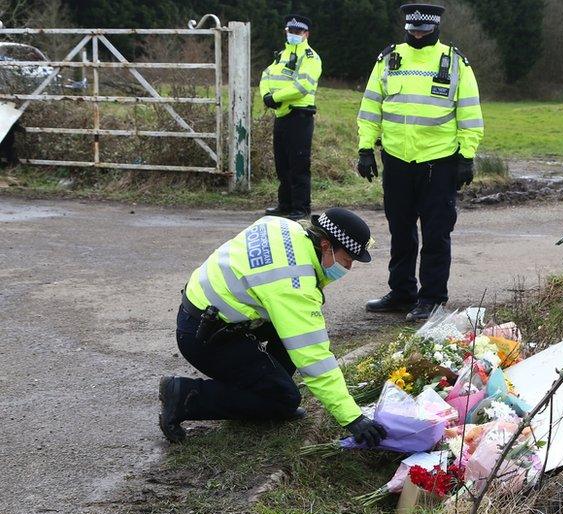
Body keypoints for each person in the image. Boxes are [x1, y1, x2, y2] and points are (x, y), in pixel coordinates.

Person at [158, 208, 387, 448]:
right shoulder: (292, 283)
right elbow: (314, 357)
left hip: (208, 314)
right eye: (347, 259)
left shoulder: (285, 227)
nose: (348, 268)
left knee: (288, 339)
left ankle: (264, 392)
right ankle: (184, 395)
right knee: (284, 398)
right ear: (326, 245)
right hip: (205, 338)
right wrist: (353, 418)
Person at [356, 3, 485, 322]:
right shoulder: (388, 59)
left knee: (436, 233)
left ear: (435, 28)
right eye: (412, 30)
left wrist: (466, 156)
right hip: (396, 161)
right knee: (400, 231)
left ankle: (432, 298)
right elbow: (371, 107)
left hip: (439, 163)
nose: (416, 35)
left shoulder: (455, 63)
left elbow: (469, 114)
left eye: (422, 31)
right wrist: (364, 149)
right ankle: (402, 293)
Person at [259, 15, 322, 221]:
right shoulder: (281, 55)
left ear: (306, 34)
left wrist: (275, 97)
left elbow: (303, 86)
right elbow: (266, 75)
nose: (294, 35)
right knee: (282, 164)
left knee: (299, 165)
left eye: (298, 32)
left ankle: (301, 208)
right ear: (286, 31)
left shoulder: (311, 57)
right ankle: (285, 204)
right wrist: (266, 96)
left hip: (300, 116)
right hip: (282, 115)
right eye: (291, 31)